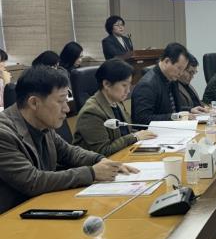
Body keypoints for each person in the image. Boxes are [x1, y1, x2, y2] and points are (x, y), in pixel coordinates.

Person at [0, 66, 138, 214]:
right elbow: (32, 181)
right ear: (34, 103)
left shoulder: (42, 124)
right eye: (61, 101)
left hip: (41, 205)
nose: (66, 108)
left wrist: (100, 160)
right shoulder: (4, 133)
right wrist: (91, 173)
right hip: (12, 216)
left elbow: (69, 152)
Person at [74, 59, 156, 156]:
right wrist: (135, 137)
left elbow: (127, 131)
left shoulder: (117, 102)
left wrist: (144, 134)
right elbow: (103, 151)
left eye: (129, 85)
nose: (128, 91)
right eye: (124, 85)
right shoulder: (91, 112)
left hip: (122, 155)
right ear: (106, 84)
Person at [131, 42, 206, 125]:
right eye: (179, 68)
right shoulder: (147, 85)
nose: (181, 73)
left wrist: (190, 110)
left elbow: (171, 108)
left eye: (183, 69)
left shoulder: (171, 78)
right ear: (167, 61)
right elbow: (142, 119)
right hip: (155, 131)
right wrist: (175, 117)